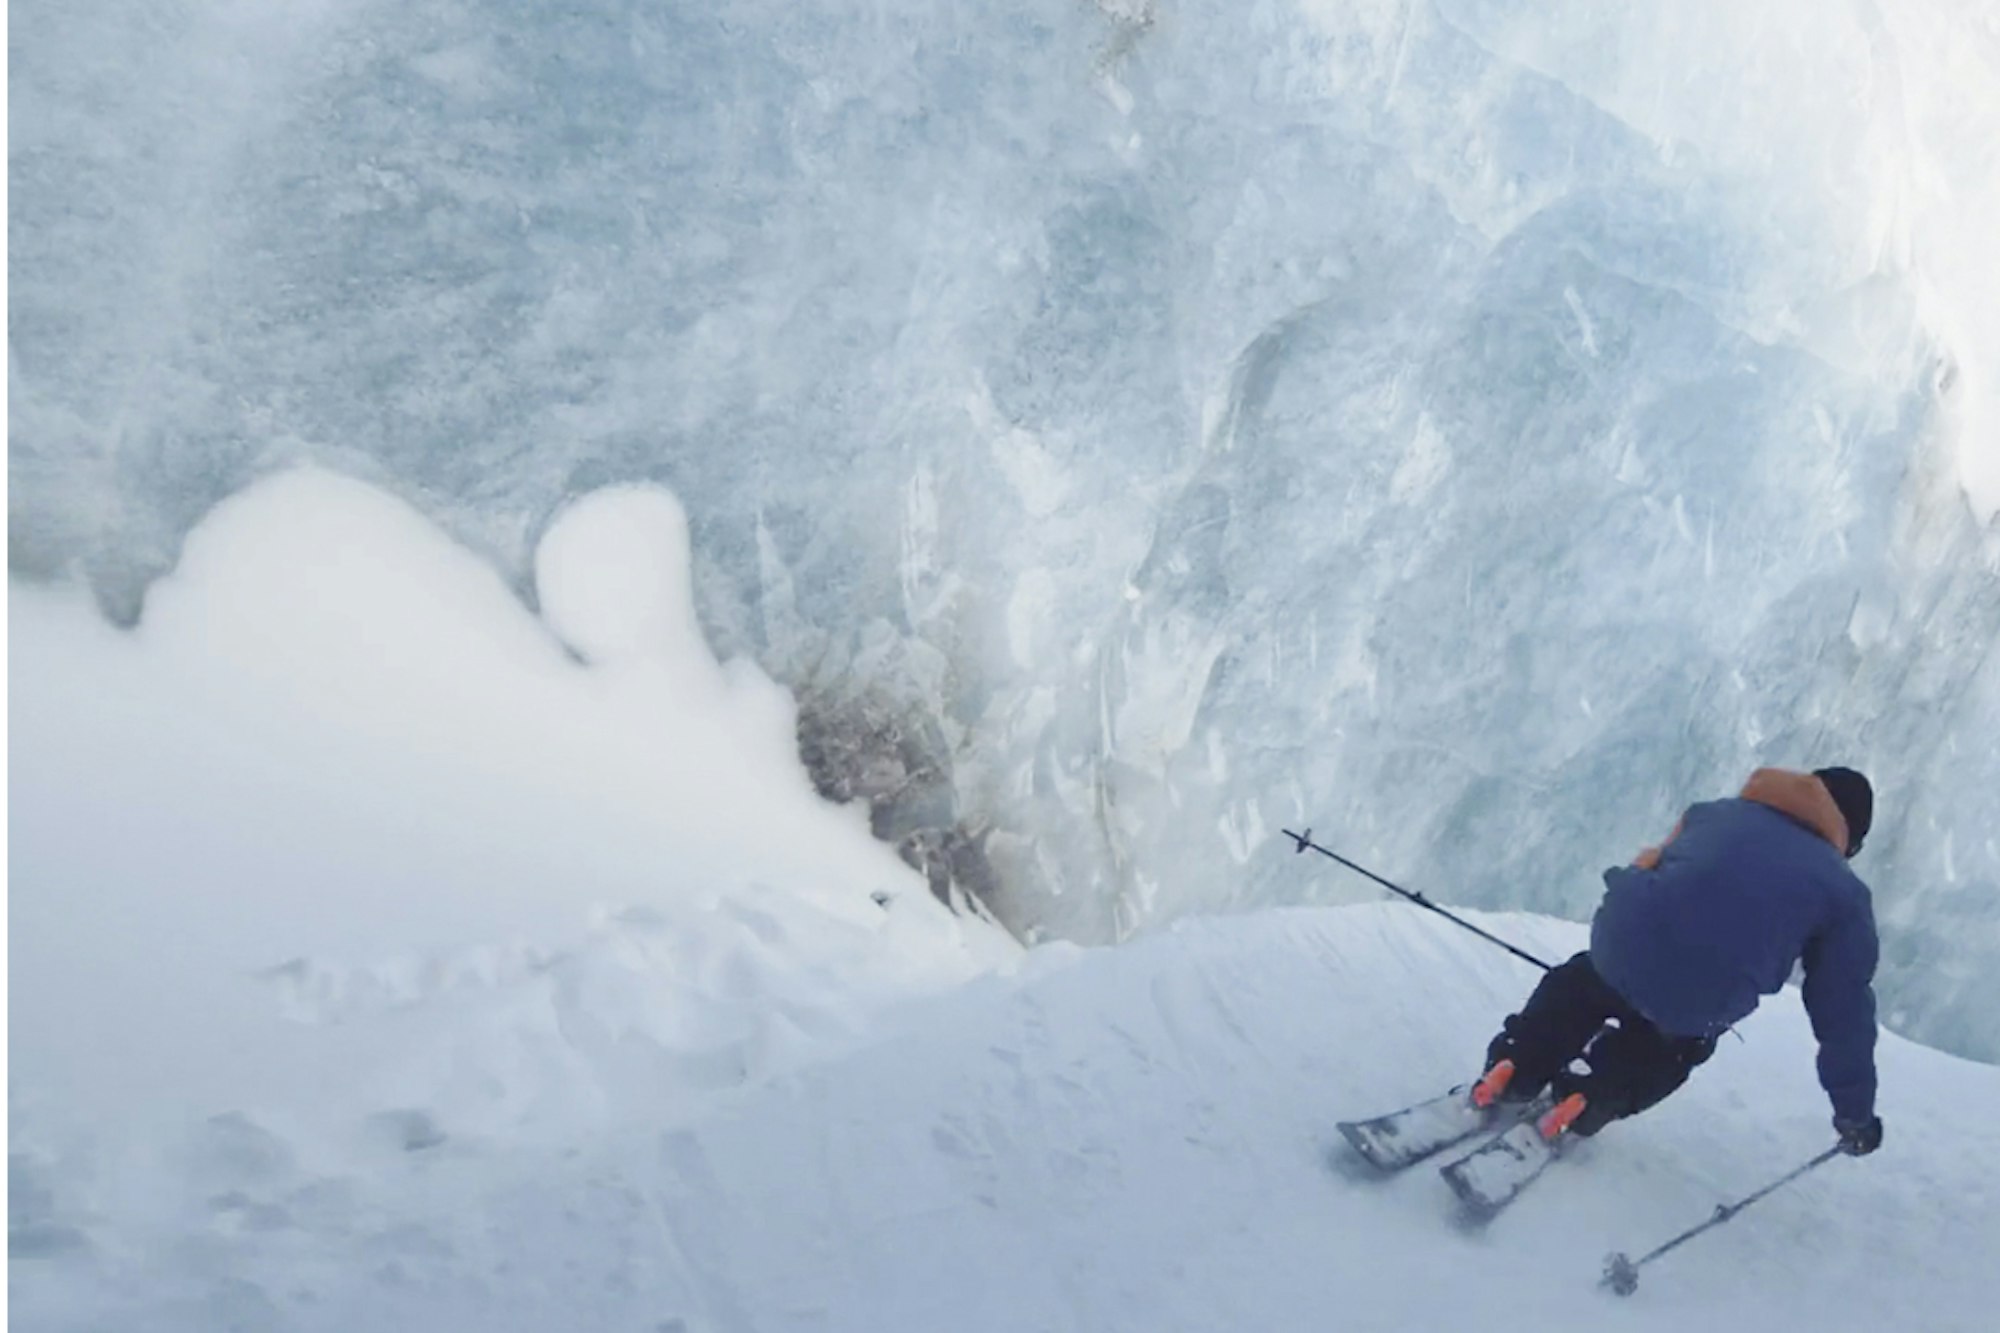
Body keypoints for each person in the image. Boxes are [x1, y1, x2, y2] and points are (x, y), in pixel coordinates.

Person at [1472, 766, 1884, 1155]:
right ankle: (1586, 1099)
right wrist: (1855, 1116)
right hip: (1702, 999)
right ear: (1851, 840)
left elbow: (1651, 865)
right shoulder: (1844, 894)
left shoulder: (1713, 814)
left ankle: (1513, 1064)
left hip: (1621, 944)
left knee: (1582, 986)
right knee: (1669, 1044)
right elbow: (1843, 1015)